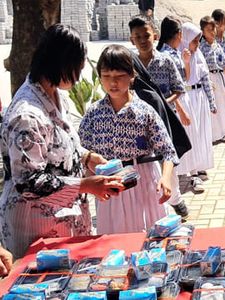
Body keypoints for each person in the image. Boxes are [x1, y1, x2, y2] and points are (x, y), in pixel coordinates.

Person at [0, 24, 124, 258]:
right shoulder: (27, 115)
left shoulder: (56, 95)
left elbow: (62, 143)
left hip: (65, 217)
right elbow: (28, 182)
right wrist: (86, 185)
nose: (78, 78)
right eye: (76, 68)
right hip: (36, 223)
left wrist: (87, 157)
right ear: (61, 64)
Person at [79, 45, 180, 234]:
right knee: (114, 236)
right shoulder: (93, 113)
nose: (113, 83)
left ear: (132, 76)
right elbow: (79, 150)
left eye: (118, 76)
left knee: (146, 235)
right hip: (110, 187)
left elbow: (168, 151)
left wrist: (165, 179)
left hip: (143, 184)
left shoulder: (145, 111)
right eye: (106, 76)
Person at [128, 15, 196, 205]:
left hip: (164, 119)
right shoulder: (128, 64)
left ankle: (175, 200)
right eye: (137, 36)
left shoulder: (166, 61)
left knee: (167, 160)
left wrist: (163, 103)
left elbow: (179, 89)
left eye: (146, 35)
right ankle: (151, 202)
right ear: (131, 39)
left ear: (155, 36)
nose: (142, 40)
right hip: (138, 124)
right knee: (145, 163)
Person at [157, 16, 205, 195]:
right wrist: (182, 110)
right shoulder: (166, 55)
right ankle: (185, 178)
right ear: (177, 34)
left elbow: (183, 78)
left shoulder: (174, 52)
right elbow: (168, 88)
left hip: (182, 100)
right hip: (177, 104)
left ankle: (191, 174)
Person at [178, 22, 218, 186]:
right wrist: (186, 62)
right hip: (187, 98)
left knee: (202, 133)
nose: (197, 44)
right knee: (191, 134)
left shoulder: (199, 55)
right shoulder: (179, 56)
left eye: (198, 40)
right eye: (194, 41)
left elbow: (205, 79)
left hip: (199, 97)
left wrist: (211, 101)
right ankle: (192, 171)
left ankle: (200, 165)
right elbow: (183, 80)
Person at [199, 16, 225, 143]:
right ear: (202, 32)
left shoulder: (217, 46)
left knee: (223, 104)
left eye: (213, 28)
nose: (213, 32)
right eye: (209, 29)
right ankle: (214, 135)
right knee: (213, 106)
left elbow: (224, 63)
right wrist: (208, 80)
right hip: (209, 79)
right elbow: (201, 67)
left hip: (219, 77)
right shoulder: (201, 47)